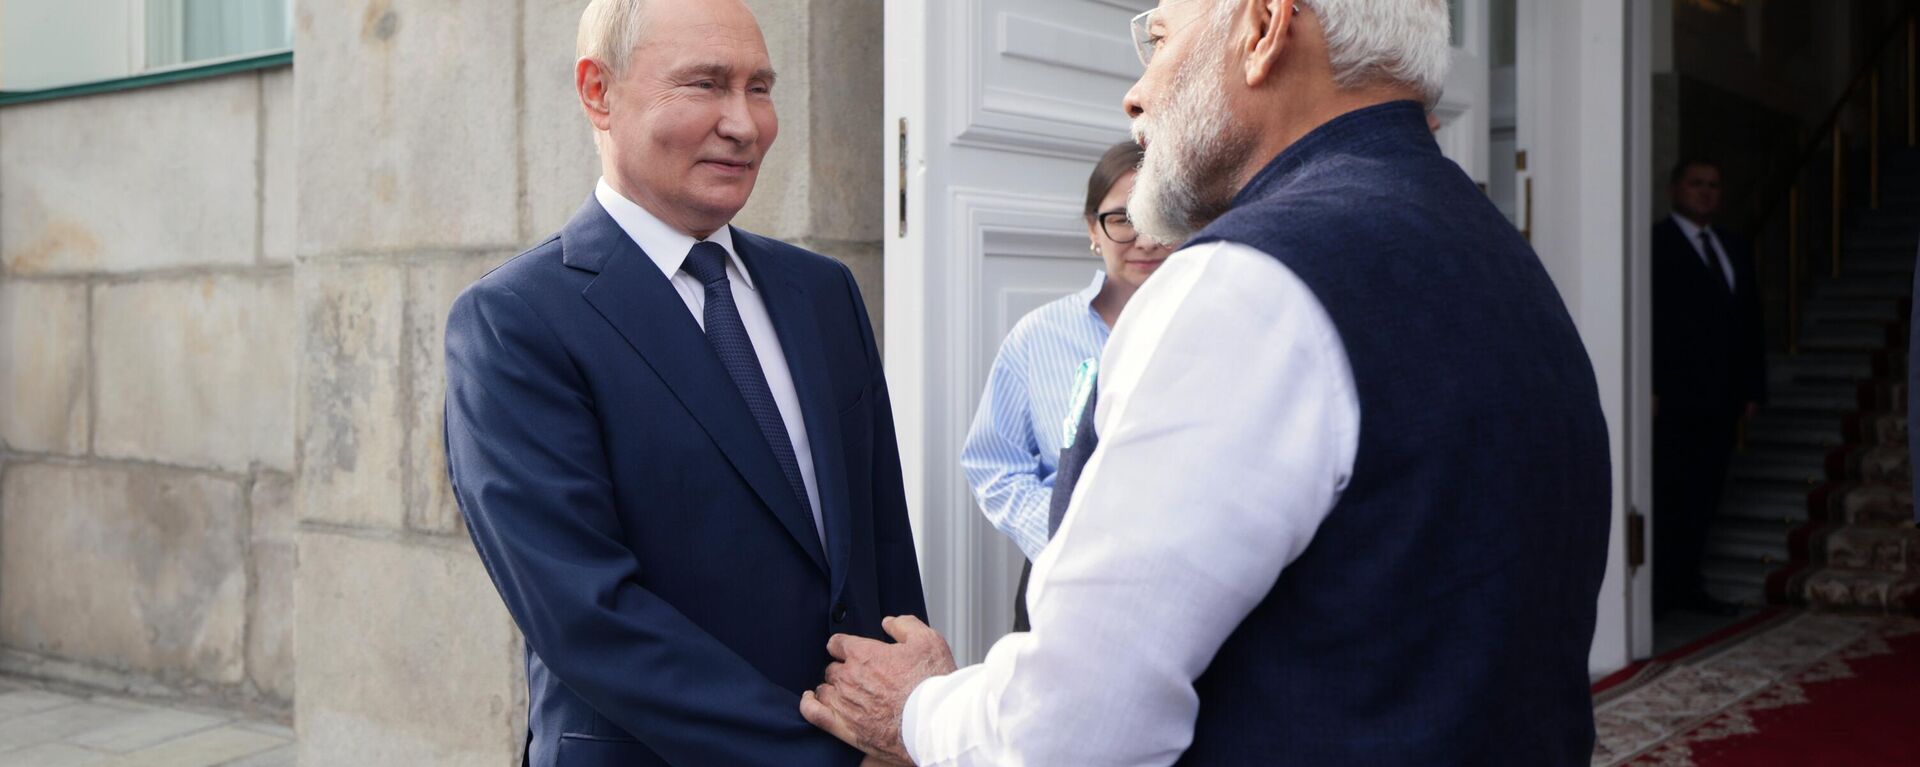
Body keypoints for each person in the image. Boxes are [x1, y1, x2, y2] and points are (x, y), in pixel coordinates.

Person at [801, 1, 1612, 765]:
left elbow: (1072, 732)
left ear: (1262, 28)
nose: (1135, 94)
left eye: (1159, 38)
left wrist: (918, 708)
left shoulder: (1245, 284)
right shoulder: (1510, 262)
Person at [442, 1, 925, 764]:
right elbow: (589, 618)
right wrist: (835, 754)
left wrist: (913, 711)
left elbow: (879, 540)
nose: (744, 123)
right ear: (598, 92)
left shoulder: (823, 291)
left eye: (759, 87)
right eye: (705, 84)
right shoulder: (516, 322)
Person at [959, 141, 1174, 631]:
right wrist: (1061, 536)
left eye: (1159, 215)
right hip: (1061, 581)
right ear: (1092, 230)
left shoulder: (1212, 328)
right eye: (1122, 218)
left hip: (1177, 580)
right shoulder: (1040, 335)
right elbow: (994, 462)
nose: (1144, 239)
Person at [1652, 159, 1765, 617]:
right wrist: (1652, 386)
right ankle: (1659, 590)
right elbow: (1652, 323)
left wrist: (1754, 389)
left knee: (1706, 494)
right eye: (1696, 184)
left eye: (1714, 186)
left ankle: (1689, 584)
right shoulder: (1654, 244)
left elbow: (1750, 322)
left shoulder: (1734, 245)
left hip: (1723, 400)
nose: (1705, 192)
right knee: (1668, 493)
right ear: (1675, 188)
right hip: (1673, 399)